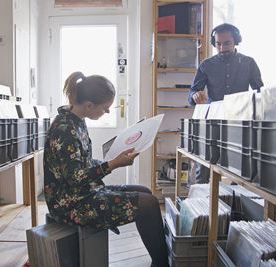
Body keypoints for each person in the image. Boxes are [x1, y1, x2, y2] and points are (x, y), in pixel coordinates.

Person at [43, 72, 169, 267]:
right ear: (89, 105)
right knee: (150, 204)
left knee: (145, 193)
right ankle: (162, 264)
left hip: (82, 193)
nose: (108, 112)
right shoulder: (65, 129)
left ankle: (159, 262)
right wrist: (112, 164)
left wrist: (110, 159)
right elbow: (75, 178)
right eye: (105, 108)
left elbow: (79, 163)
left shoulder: (76, 121)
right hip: (69, 204)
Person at [188, 23, 264, 183]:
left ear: (236, 41)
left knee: (241, 168)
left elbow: (260, 93)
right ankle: (201, 204)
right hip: (212, 122)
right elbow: (192, 94)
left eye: (227, 43)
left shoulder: (249, 63)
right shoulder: (206, 65)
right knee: (204, 167)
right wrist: (196, 96)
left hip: (239, 122)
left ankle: (238, 204)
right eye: (218, 44)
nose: (222, 48)